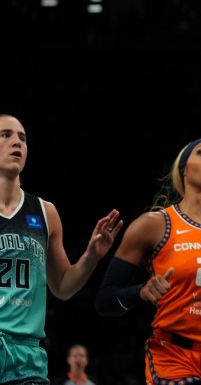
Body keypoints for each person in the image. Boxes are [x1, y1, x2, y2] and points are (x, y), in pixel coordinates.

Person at [94, 137, 201, 385]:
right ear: (184, 169)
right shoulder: (153, 225)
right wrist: (140, 291)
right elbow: (105, 301)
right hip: (175, 356)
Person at [0, 114, 122, 385]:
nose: (16, 143)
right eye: (5, 135)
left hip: (26, 357)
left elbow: (63, 287)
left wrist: (91, 256)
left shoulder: (46, 212)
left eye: (22, 138)